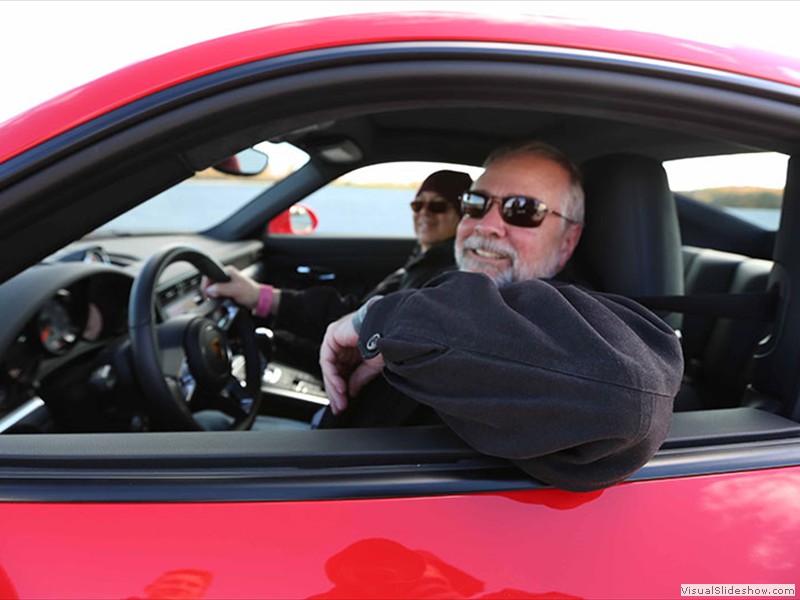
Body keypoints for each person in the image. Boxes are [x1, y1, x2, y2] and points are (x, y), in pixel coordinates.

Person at [318, 140, 684, 492]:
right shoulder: (446, 294)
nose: (486, 225)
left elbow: (629, 399)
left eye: (522, 209)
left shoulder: (586, 323)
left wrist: (380, 319)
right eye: (476, 203)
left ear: (568, 239)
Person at [205, 170, 472, 374]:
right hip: (347, 347)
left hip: (355, 366)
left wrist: (260, 297)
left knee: (258, 343)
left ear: (462, 214)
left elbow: (356, 321)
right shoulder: (424, 259)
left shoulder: (443, 274)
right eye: (418, 205)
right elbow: (356, 311)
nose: (424, 213)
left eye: (437, 206)